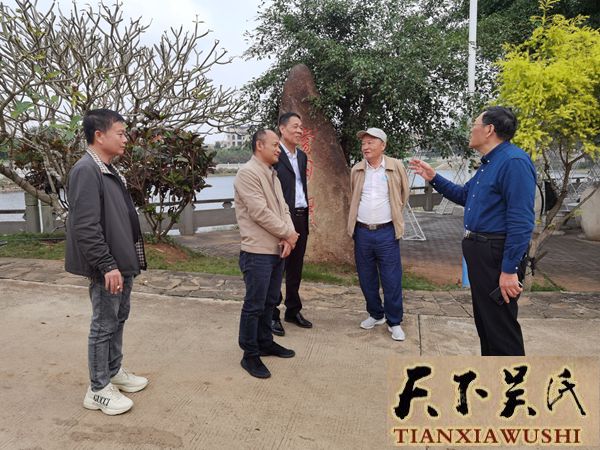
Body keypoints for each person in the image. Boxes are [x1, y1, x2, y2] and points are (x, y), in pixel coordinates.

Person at [410, 106, 536, 356]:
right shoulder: (490, 163)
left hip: (496, 254)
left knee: (501, 329)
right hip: (481, 254)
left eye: (474, 125)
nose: (471, 130)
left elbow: (521, 221)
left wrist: (509, 269)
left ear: (489, 130)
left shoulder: (514, 162)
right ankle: (491, 375)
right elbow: (464, 195)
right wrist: (433, 177)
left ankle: (512, 379)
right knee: (486, 325)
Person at [65, 109, 148, 415]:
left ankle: (113, 371)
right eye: (121, 133)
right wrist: (107, 264)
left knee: (118, 318)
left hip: (121, 261)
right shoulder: (86, 170)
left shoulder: (107, 168)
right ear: (99, 136)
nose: (126, 139)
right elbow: (85, 226)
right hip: (108, 266)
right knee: (103, 325)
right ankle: (98, 388)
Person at [234, 129, 300, 378]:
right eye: (274, 144)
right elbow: (259, 212)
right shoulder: (247, 173)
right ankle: (249, 354)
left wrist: (289, 236)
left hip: (276, 249)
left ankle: (265, 342)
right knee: (254, 304)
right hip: (257, 251)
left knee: (270, 301)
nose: (278, 149)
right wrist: (288, 234)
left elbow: (284, 209)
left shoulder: (272, 174)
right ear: (259, 145)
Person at [347, 127, 410, 341]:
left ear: (383, 145)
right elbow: (354, 196)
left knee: (392, 278)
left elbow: (404, 194)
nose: (365, 147)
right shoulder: (357, 170)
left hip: (386, 232)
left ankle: (394, 321)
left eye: (370, 142)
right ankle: (376, 314)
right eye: (363, 143)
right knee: (366, 277)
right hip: (362, 232)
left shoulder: (395, 166)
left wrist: (395, 216)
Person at [271, 112, 312, 336]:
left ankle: (293, 310)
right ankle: (272, 314)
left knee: (296, 267)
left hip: (300, 216)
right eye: (295, 126)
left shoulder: (302, 156)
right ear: (282, 128)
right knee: (278, 267)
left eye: (301, 127)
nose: (299, 130)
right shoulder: (274, 155)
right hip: (281, 219)